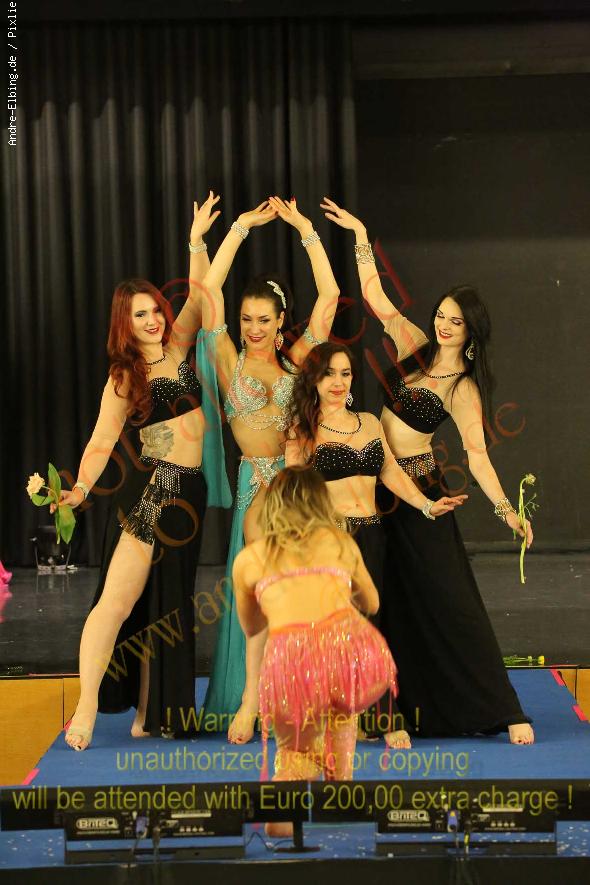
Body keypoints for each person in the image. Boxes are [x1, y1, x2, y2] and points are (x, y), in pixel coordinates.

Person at [320, 197, 534, 745]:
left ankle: (504, 709)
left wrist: (506, 510)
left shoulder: (461, 389)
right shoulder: (415, 344)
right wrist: (361, 237)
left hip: (420, 492)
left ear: (471, 331)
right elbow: (377, 298)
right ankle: (391, 711)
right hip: (376, 489)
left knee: (451, 599)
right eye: (441, 315)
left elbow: (477, 456)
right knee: (388, 605)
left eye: (455, 321)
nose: (443, 325)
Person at [54, 194, 228, 750]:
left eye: (155, 309)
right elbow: (102, 440)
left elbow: (201, 295)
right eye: (140, 315)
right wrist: (80, 488)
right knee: (117, 602)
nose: (153, 320)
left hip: (191, 491)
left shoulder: (178, 347)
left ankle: (153, 713)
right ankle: (85, 707)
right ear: (124, 324)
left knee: (168, 607)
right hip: (154, 491)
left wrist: (198, 240)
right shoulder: (124, 375)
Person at [200, 197, 340, 743]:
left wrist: (305, 228)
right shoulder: (228, 358)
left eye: (264, 320)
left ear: (281, 322)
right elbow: (207, 291)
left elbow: (330, 297)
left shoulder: (297, 360)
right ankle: (249, 699)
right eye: (246, 319)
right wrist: (237, 229)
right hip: (250, 489)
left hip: (291, 489)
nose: (253, 328)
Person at [285, 342, 466, 748]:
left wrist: (426, 505)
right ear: (314, 379)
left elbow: (391, 472)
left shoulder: (368, 422)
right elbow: (295, 494)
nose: (338, 382)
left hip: (372, 535)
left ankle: (362, 716)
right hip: (330, 539)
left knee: (370, 625)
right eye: (329, 373)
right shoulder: (302, 432)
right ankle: (375, 718)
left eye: (345, 373)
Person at [232, 465, 398, 836]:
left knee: (294, 753)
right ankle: (339, 787)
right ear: (321, 503)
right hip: (349, 655)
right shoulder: (340, 544)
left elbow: (252, 628)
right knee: (340, 704)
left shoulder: (250, 559)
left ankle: (287, 807)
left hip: (291, 663)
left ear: (272, 506)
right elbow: (372, 603)